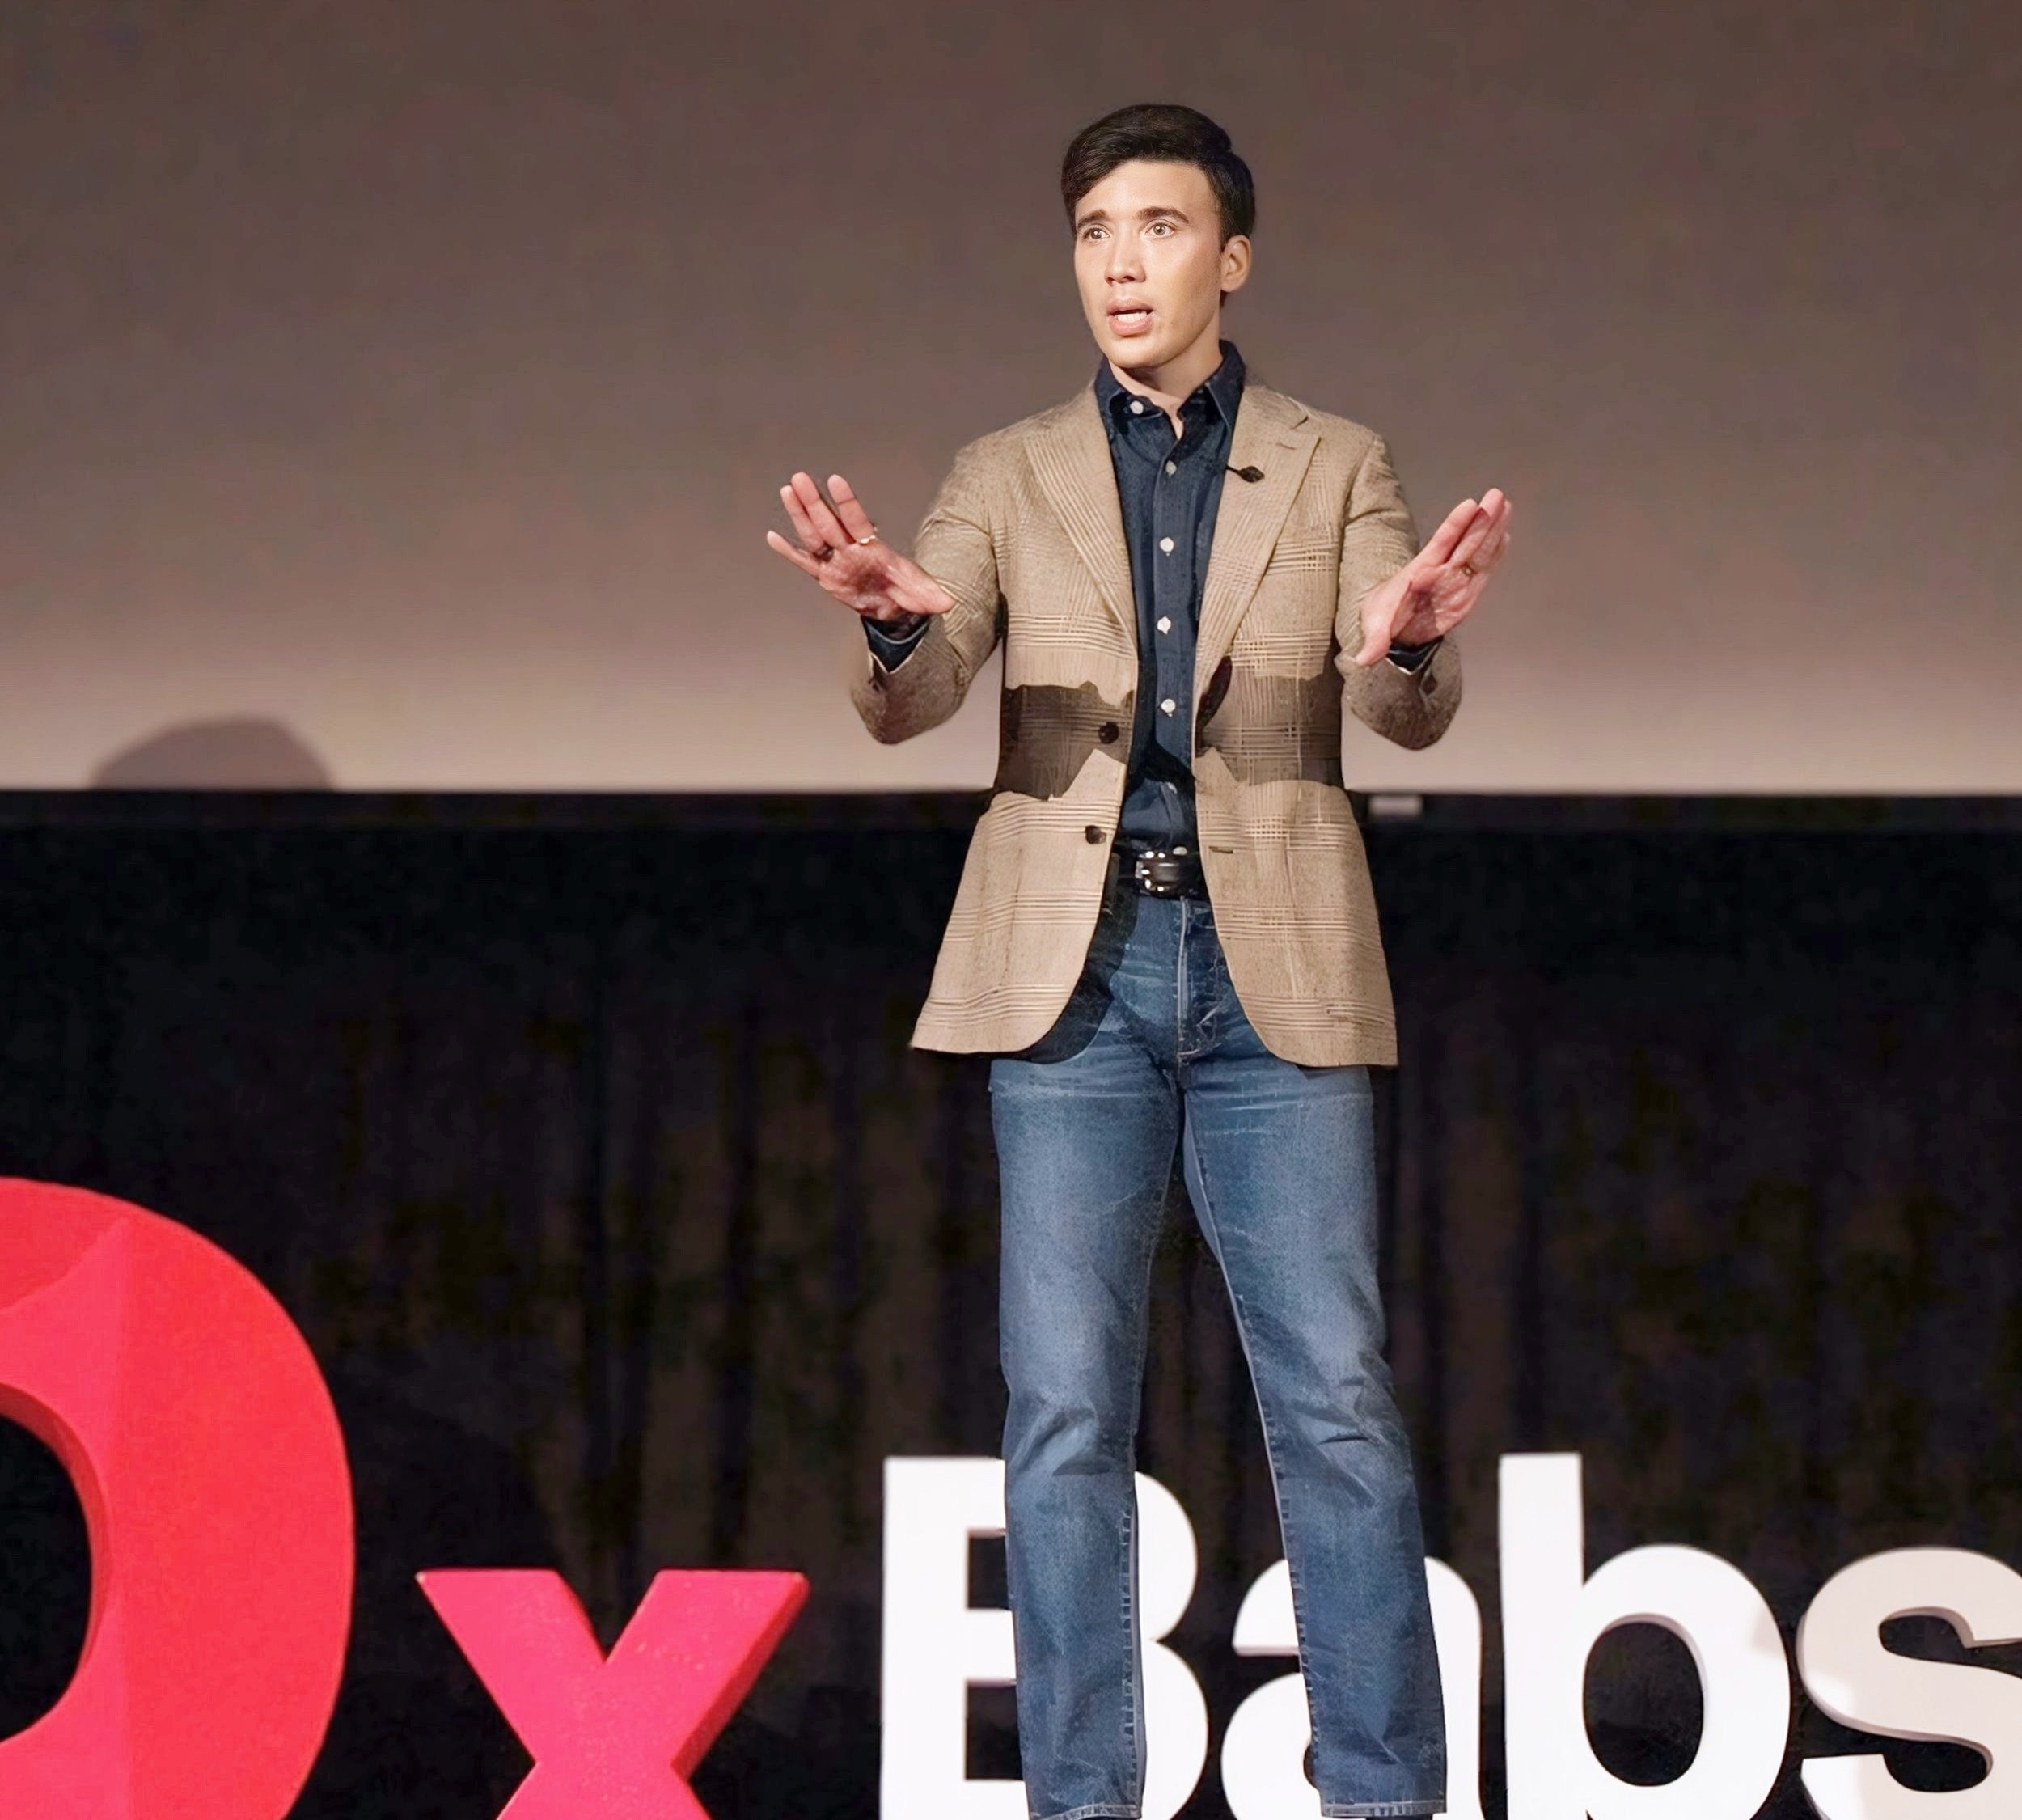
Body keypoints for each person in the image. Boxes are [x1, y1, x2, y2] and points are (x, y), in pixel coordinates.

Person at [766, 102, 1510, 1820]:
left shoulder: (1331, 461)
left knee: (1329, 1400)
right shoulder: (1004, 470)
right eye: (1094, 229)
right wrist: (890, 613)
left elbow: (1401, 697)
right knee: (1061, 1417)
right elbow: (920, 690)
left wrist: (1405, 648)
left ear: (1228, 259)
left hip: (1274, 974)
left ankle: (1381, 1795)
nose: (1119, 261)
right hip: (1077, 977)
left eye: (1157, 228)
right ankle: (1080, 1800)